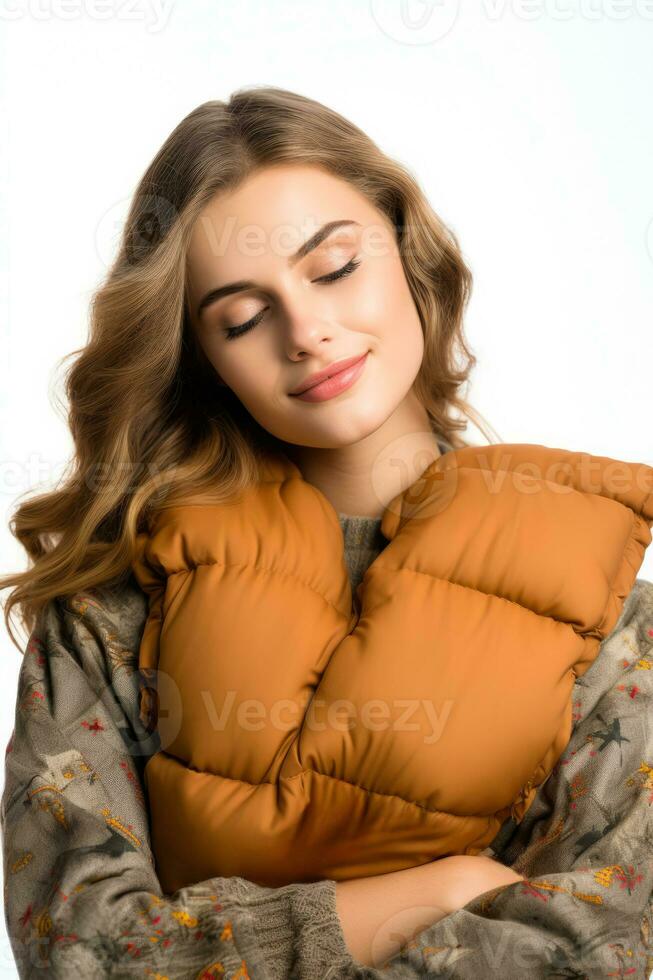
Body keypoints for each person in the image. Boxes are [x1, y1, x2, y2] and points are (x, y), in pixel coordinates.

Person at [1, 86, 652, 977]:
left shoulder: (618, 623)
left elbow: (601, 948)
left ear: (409, 254)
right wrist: (415, 901)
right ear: (201, 356)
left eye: (336, 267)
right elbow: (84, 955)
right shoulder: (111, 609)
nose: (306, 331)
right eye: (240, 316)